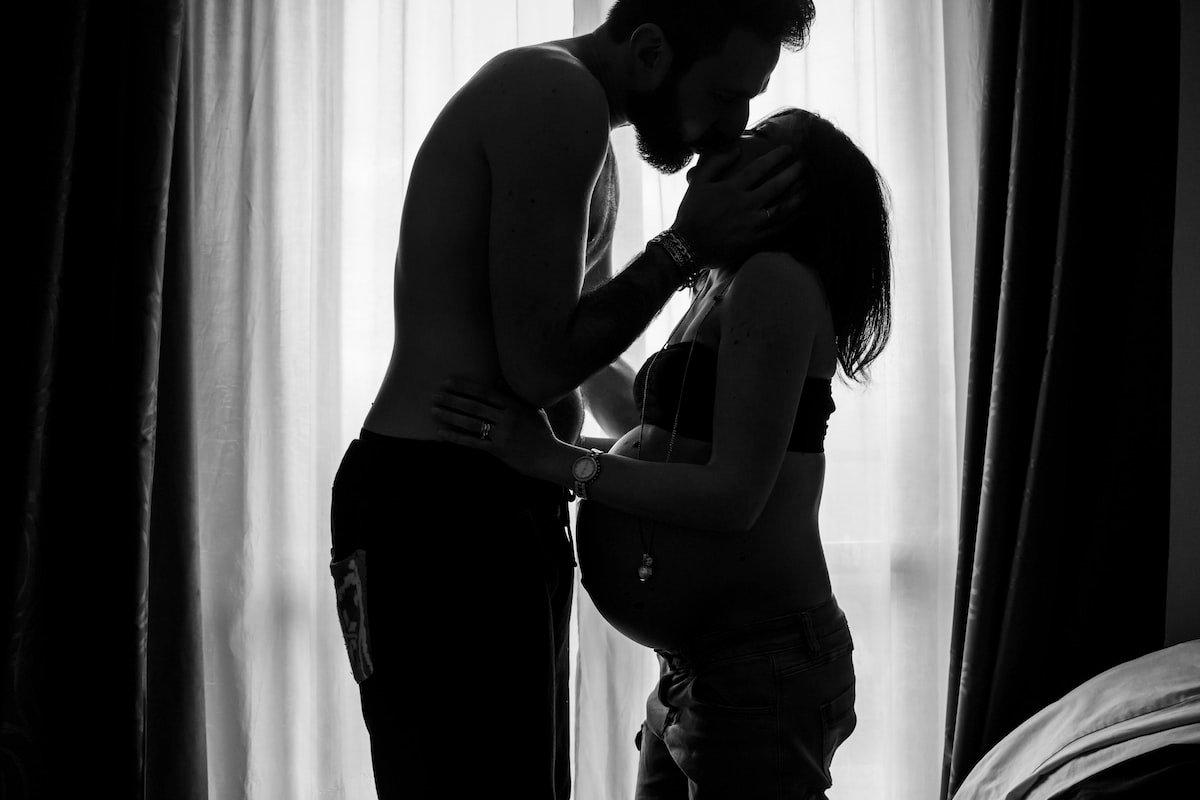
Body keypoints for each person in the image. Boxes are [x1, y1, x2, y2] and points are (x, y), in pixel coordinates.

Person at [329, 2, 818, 797]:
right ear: (651, 50)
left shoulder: (583, 125)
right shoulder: (556, 96)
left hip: (484, 500)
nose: (734, 127)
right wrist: (686, 247)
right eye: (726, 94)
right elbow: (536, 368)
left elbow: (584, 364)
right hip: (439, 512)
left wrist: (711, 439)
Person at [431, 106, 893, 799]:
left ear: (791, 189)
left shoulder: (776, 281)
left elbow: (733, 495)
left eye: (758, 141)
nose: (725, 140)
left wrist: (558, 462)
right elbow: (652, 432)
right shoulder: (727, 282)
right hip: (704, 668)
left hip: (756, 668)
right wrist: (554, 340)